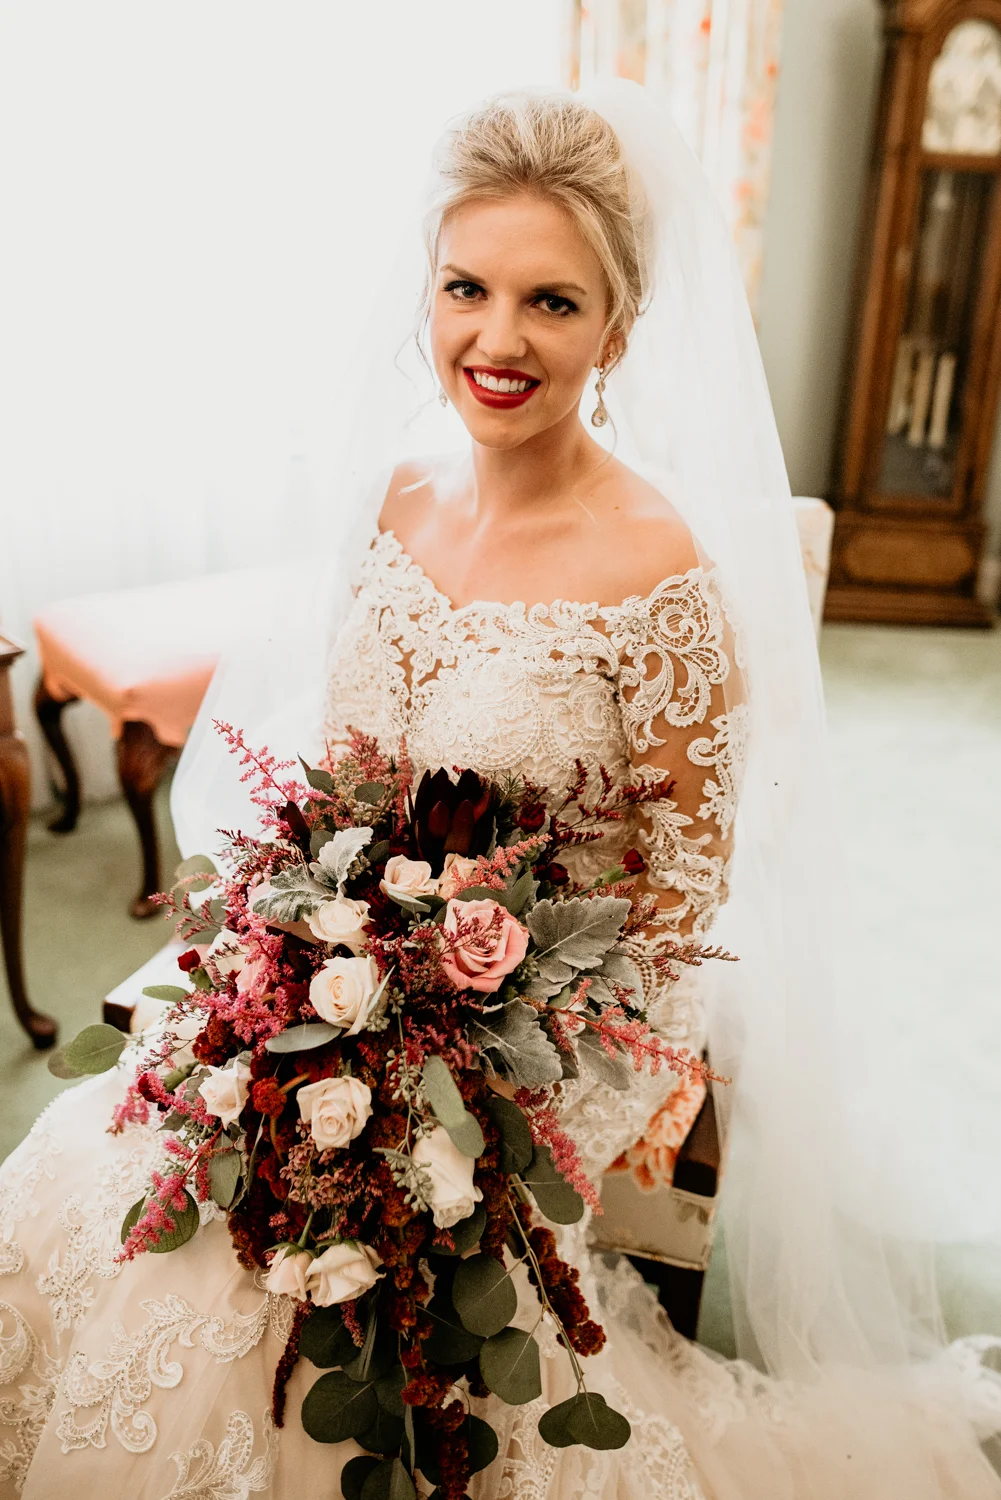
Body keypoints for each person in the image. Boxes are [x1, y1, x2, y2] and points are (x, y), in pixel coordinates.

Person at [1, 84, 999, 1500]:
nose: (498, 339)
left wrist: (480, 1081)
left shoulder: (661, 576)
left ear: (618, 329)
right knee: (128, 1188)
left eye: (552, 302)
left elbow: (677, 908)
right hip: (340, 981)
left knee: (317, 1282)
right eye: (467, 288)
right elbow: (338, 786)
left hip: (540, 1046)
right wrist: (295, 982)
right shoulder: (396, 502)